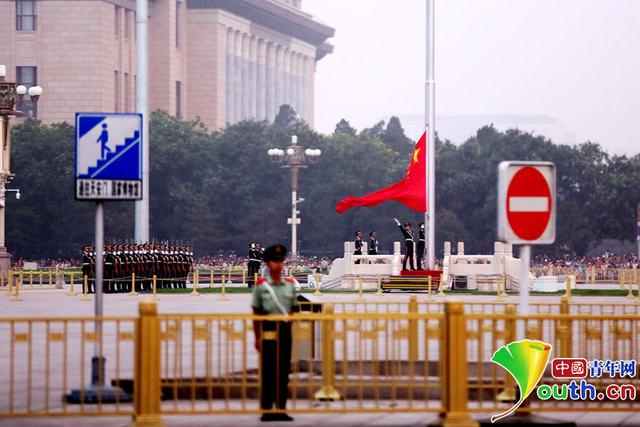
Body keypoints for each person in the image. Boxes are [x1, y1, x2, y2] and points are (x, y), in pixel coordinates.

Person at [251, 244, 298, 422]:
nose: (278, 264)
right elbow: (256, 313)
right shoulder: (261, 287)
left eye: (280, 261)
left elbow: (293, 310)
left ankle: (281, 408)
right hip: (268, 330)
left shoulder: (290, 286)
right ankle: (266, 410)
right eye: (274, 261)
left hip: (285, 330)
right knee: (268, 370)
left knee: (283, 371)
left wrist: (288, 327)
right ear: (267, 264)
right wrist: (257, 337)